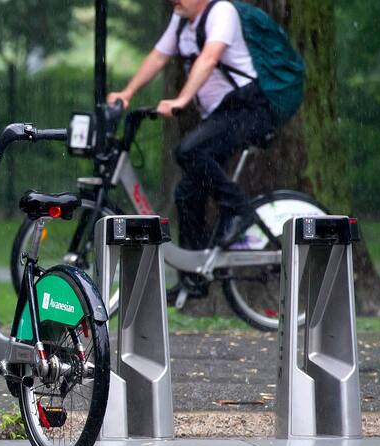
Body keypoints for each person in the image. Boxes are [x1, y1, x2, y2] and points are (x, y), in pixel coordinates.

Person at [107, 0, 277, 293]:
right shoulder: (182, 19)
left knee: (188, 150)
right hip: (224, 113)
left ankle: (240, 210)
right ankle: (193, 279)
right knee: (187, 193)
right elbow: (159, 56)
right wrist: (128, 92)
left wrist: (181, 100)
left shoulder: (221, 11)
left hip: (248, 109)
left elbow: (209, 58)